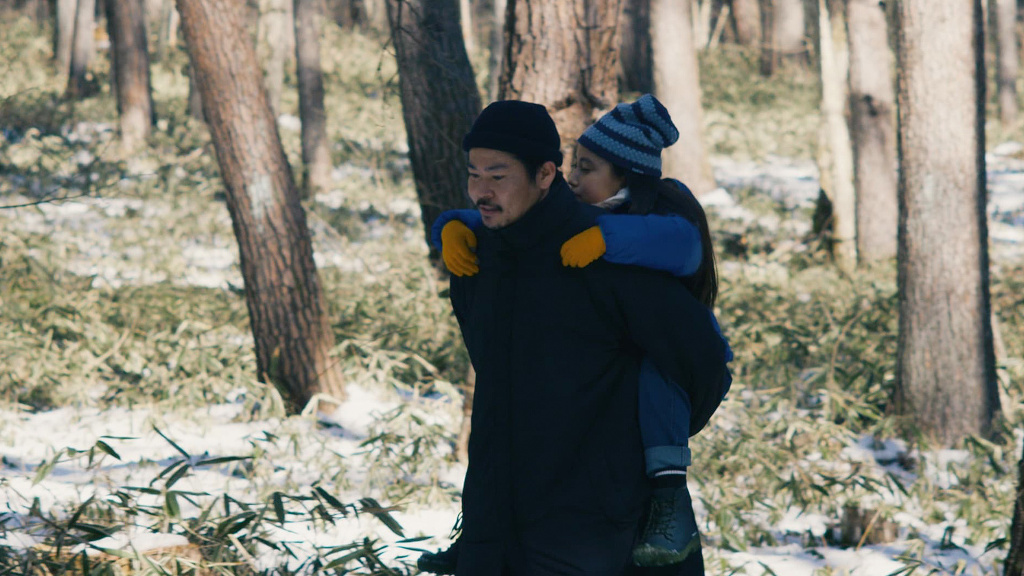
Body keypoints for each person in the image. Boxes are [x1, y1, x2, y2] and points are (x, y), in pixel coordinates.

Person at [420, 94, 732, 572]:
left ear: (545, 175)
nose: (480, 191)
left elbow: (705, 361)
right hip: (493, 524)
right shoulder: (475, 259)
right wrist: (449, 227)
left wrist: (631, 452)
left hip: (590, 535)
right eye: (473, 174)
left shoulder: (606, 256)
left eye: (497, 176)